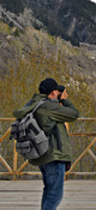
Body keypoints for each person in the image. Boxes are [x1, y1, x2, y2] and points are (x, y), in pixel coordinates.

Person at [13, 78, 80, 210]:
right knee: (55, 195)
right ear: (54, 93)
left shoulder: (34, 103)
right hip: (54, 155)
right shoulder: (49, 107)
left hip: (42, 154)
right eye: (57, 91)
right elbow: (74, 114)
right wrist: (65, 99)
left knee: (48, 191)